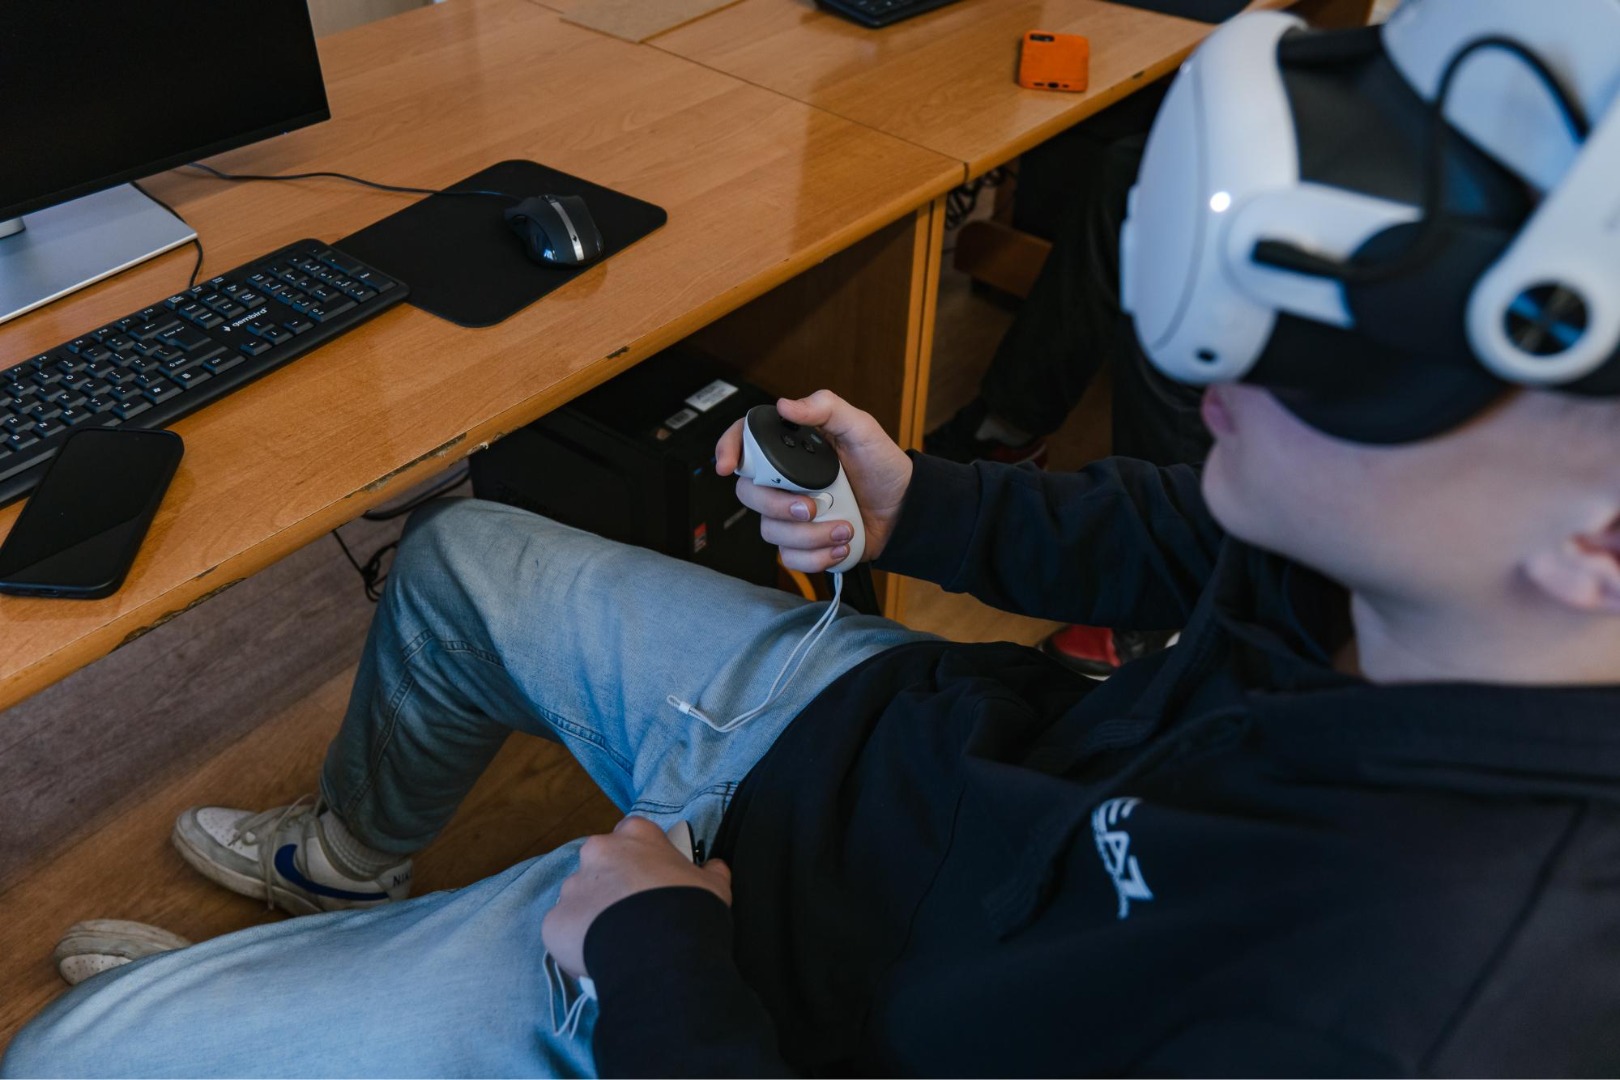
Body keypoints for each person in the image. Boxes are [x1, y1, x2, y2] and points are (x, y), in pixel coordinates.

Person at [8, 2, 1620, 1075]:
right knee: (460, 559)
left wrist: (652, 954)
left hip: (786, 991)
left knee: (74, 1059)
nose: (1220, 369)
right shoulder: (1408, 553)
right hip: (905, 765)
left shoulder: (1420, 1000)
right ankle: (345, 875)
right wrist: (922, 502)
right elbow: (1186, 534)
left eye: (1344, 359)